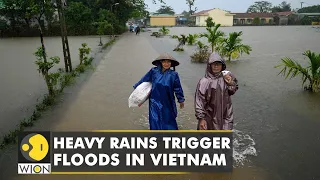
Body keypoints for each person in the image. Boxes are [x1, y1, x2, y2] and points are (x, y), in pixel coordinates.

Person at [133, 53, 185, 130]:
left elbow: (177, 88)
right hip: (154, 100)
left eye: (168, 62)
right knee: (154, 119)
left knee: (168, 118)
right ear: (161, 62)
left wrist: (181, 100)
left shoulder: (174, 75)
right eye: (164, 62)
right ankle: (156, 136)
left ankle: (171, 136)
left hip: (167, 101)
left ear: (171, 63)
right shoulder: (153, 71)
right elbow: (144, 80)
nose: (166, 64)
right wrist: (136, 89)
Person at [195, 52, 238, 130]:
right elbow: (199, 101)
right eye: (213, 64)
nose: (216, 66)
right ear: (209, 65)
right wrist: (201, 118)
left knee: (224, 139)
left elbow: (233, 90)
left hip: (225, 115)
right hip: (209, 117)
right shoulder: (203, 82)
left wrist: (230, 83)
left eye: (218, 64)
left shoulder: (227, 77)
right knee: (208, 139)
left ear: (222, 66)